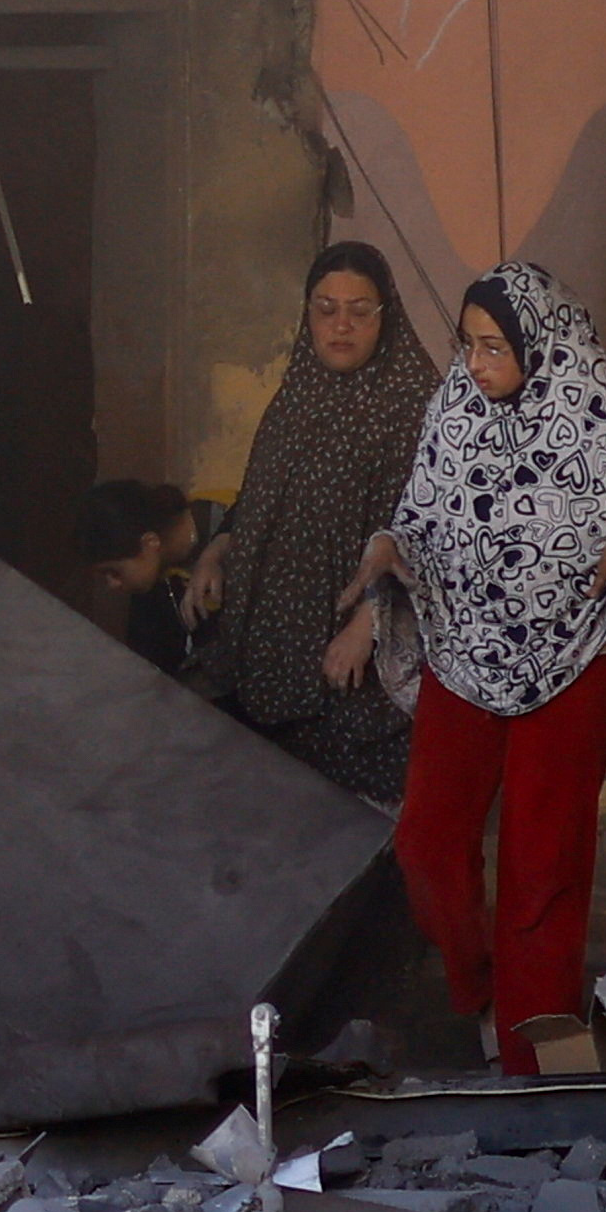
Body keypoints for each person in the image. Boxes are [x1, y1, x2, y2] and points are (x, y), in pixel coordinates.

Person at [345, 262, 606, 1075]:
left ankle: (531, 1048)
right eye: (469, 345)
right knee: (427, 841)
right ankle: (481, 987)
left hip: (578, 650)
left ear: (538, 344)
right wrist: (388, 547)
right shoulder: (455, 408)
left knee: (544, 860)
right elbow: (421, 512)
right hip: (465, 645)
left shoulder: (602, 411)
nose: (476, 364)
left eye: (493, 347)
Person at [189, 242, 436, 801]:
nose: (341, 326)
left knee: (339, 815)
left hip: (348, 654)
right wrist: (219, 549)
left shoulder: (414, 404)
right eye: (325, 309)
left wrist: (368, 626)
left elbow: (426, 532)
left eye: (359, 310)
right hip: (273, 638)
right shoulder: (299, 389)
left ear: (386, 314)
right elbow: (261, 494)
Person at [78, 480, 203, 677]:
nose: (112, 585)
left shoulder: (224, 534)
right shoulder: (151, 591)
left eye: (114, 572)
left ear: (150, 543)